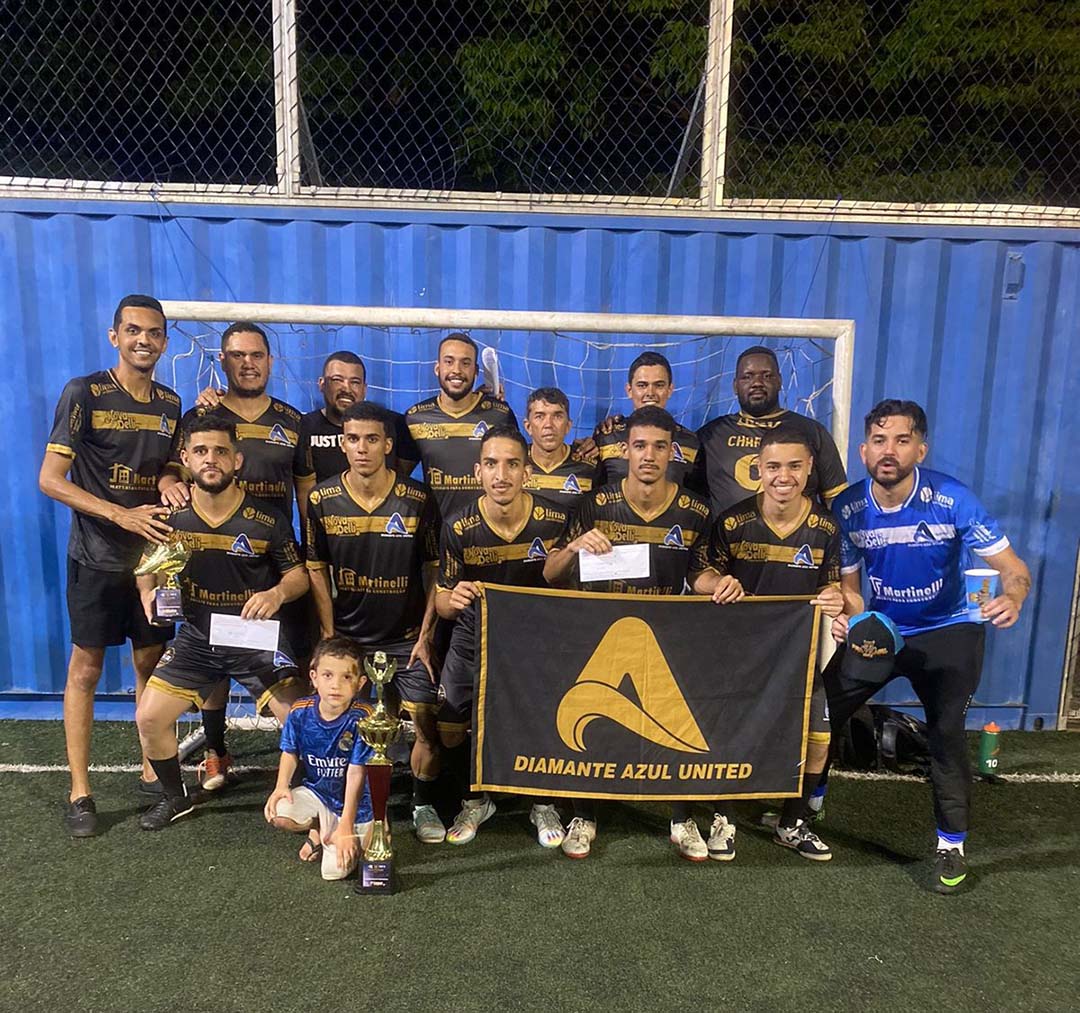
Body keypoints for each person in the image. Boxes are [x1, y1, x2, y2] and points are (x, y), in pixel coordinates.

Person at [827, 399, 1030, 893]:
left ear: (920, 449)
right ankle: (802, 809)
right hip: (885, 631)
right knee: (822, 710)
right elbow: (851, 588)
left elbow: (1013, 569)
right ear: (863, 451)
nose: (889, 451)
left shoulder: (953, 499)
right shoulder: (848, 508)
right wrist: (849, 618)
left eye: (901, 440)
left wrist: (1013, 597)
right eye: (879, 440)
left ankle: (950, 845)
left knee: (945, 731)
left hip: (949, 631)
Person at [38, 293, 183, 837]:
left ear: (164, 341)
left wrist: (169, 481)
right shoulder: (84, 391)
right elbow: (50, 479)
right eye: (134, 330)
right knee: (87, 669)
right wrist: (119, 514)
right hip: (96, 557)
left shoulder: (170, 402)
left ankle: (152, 771)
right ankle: (80, 792)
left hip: (152, 558)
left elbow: (169, 465)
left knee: (150, 661)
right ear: (114, 336)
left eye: (154, 332)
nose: (144, 340)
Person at [543, 406, 714, 861]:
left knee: (678, 721)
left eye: (659, 447)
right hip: (601, 632)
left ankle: (681, 818)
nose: (649, 456)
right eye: (640, 446)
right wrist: (575, 546)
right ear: (625, 450)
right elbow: (550, 572)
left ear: (673, 452)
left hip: (665, 636)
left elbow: (699, 574)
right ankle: (584, 815)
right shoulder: (595, 504)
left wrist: (721, 584)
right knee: (591, 720)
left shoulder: (696, 511)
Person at [134, 415, 309, 831]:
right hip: (197, 639)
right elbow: (148, 569)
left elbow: (299, 575)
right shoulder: (171, 518)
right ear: (186, 459)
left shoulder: (266, 519)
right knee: (149, 718)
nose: (210, 459)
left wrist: (276, 594)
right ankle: (176, 798)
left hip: (255, 638)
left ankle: (303, 793)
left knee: (301, 722)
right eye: (201, 451)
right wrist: (147, 595)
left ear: (237, 460)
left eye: (220, 451)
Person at [164, 321, 316, 790]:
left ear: (270, 361)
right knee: (213, 651)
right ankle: (215, 750)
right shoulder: (202, 416)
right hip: (214, 555)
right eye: (237, 355)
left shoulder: (292, 421)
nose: (248, 364)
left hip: (274, 561)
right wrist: (169, 484)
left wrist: (310, 555)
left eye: (256, 355)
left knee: (285, 664)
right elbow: (175, 472)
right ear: (223, 361)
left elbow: (305, 493)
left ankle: (304, 762)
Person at [692, 426, 846, 862]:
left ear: (810, 468)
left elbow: (834, 586)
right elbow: (698, 574)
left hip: (799, 654)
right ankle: (723, 817)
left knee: (818, 738)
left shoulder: (826, 527)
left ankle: (792, 823)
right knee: (731, 733)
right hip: (739, 654)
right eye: (774, 466)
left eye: (794, 466)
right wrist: (717, 583)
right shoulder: (733, 521)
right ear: (758, 469)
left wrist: (837, 598)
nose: (784, 476)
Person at [305, 401, 444, 844]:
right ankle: (341, 807)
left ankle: (422, 804)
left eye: (371, 439)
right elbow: (315, 568)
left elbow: (435, 571)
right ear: (342, 444)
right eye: (353, 439)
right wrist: (330, 636)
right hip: (352, 642)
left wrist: (426, 637)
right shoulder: (320, 499)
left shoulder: (418, 498)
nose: (361, 448)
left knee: (428, 723)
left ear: (387, 445)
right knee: (342, 729)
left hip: (407, 640)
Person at [436, 425, 569, 847]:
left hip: (534, 640)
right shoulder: (458, 525)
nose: (501, 474)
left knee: (542, 718)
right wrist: (453, 598)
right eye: (491, 464)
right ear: (478, 472)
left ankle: (542, 802)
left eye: (512, 464)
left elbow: (566, 584)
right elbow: (441, 601)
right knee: (450, 727)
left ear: (527, 472)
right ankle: (475, 801)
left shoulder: (555, 519)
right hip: (473, 636)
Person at [263, 636, 376, 881]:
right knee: (280, 813)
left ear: (360, 683)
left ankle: (375, 827)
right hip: (318, 793)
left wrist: (346, 825)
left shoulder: (364, 718)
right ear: (314, 677)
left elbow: (356, 772)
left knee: (334, 873)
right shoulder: (300, 711)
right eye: (327, 675)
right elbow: (290, 751)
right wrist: (281, 786)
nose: (336, 685)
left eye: (346, 677)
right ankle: (318, 827)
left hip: (356, 804)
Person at [694, 346, 847, 518]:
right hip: (729, 535)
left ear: (780, 381)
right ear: (735, 385)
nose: (757, 383)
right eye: (747, 377)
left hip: (797, 535)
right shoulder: (711, 436)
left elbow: (836, 501)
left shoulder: (812, 432)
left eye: (766, 376)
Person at [405, 332, 519, 519]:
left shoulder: (500, 414)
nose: (456, 370)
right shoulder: (415, 418)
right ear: (437, 368)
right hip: (438, 530)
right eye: (449, 362)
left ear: (475, 371)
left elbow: (516, 470)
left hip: (489, 529)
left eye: (465, 363)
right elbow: (398, 477)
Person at [298, 351, 419, 482]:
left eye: (355, 382)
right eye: (337, 380)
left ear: (364, 389)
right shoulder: (304, 427)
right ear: (322, 384)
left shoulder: (396, 425)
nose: (346, 389)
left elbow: (401, 479)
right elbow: (304, 487)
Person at [590, 352, 699, 488]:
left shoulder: (690, 442)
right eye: (642, 385)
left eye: (659, 385)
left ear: (670, 390)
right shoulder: (606, 436)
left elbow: (695, 495)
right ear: (629, 390)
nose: (650, 393)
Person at [522, 386, 596, 511]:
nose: (548, 425)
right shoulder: (515, 463)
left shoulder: (589, 465)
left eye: (557, 416)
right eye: (540, 416)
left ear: (568, 426)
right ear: (528, 426)